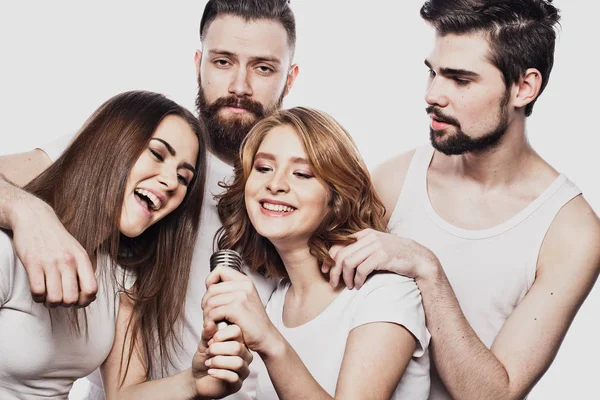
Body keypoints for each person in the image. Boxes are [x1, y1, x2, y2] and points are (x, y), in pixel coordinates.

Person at [0, 1, 298, 398]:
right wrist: (28, 211)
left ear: (289, 78)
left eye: (263, 68)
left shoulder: (293, 190)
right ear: (199, 64)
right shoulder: (131, 141)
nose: (239, 86)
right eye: (223, 61)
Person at [321, 1, 600, 399]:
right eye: (433, 73)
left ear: (524, 87)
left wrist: (427, 269)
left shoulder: (570, 231)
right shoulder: (394, 180)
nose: (433, 95)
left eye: (460, 80)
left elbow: (494, 395)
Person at [0, 90, 251, 399]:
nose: (171, 182)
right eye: (157, 154)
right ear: (109, 146)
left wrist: (194, 381)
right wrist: (27, 211)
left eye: (183, 177)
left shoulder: (121, 276)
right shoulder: (8, 249)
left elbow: (125, 392)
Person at [203, 107, 431, 399]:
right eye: (263, 168)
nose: (275, 184)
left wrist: (270, 342)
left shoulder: (385, 292)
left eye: (301, 173)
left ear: (336, 197)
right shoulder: (274, 303)